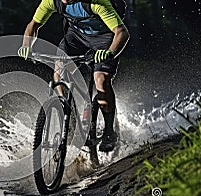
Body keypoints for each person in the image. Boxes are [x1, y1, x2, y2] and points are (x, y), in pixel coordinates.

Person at [18, 0, 130, 152]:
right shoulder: (51, 2)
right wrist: (26, 45)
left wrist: (110, 52)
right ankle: (69, 118)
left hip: (104, 39)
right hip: (76, 37)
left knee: (101, 80)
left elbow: (121, 32)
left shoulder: (96, 3)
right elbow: (34, 25)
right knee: (58, 74)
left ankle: (109, 131)